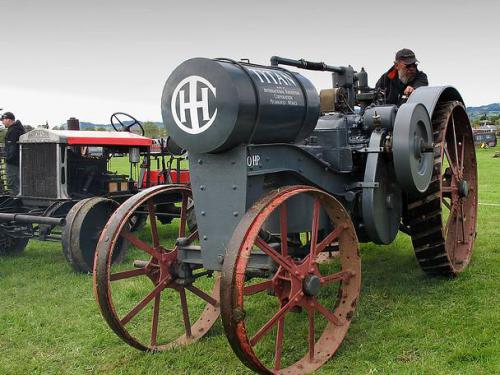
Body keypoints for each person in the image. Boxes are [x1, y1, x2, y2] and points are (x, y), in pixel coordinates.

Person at [1, 112, 26, 195]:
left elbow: (11, 147)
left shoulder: (13, 130)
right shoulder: (18, 129)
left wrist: (7, 158)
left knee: (13, 183)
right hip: (19, 162)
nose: (2, 122)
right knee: (18, 184)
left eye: (3, 120)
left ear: (8, 119)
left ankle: (16, 203)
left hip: (13, 163)